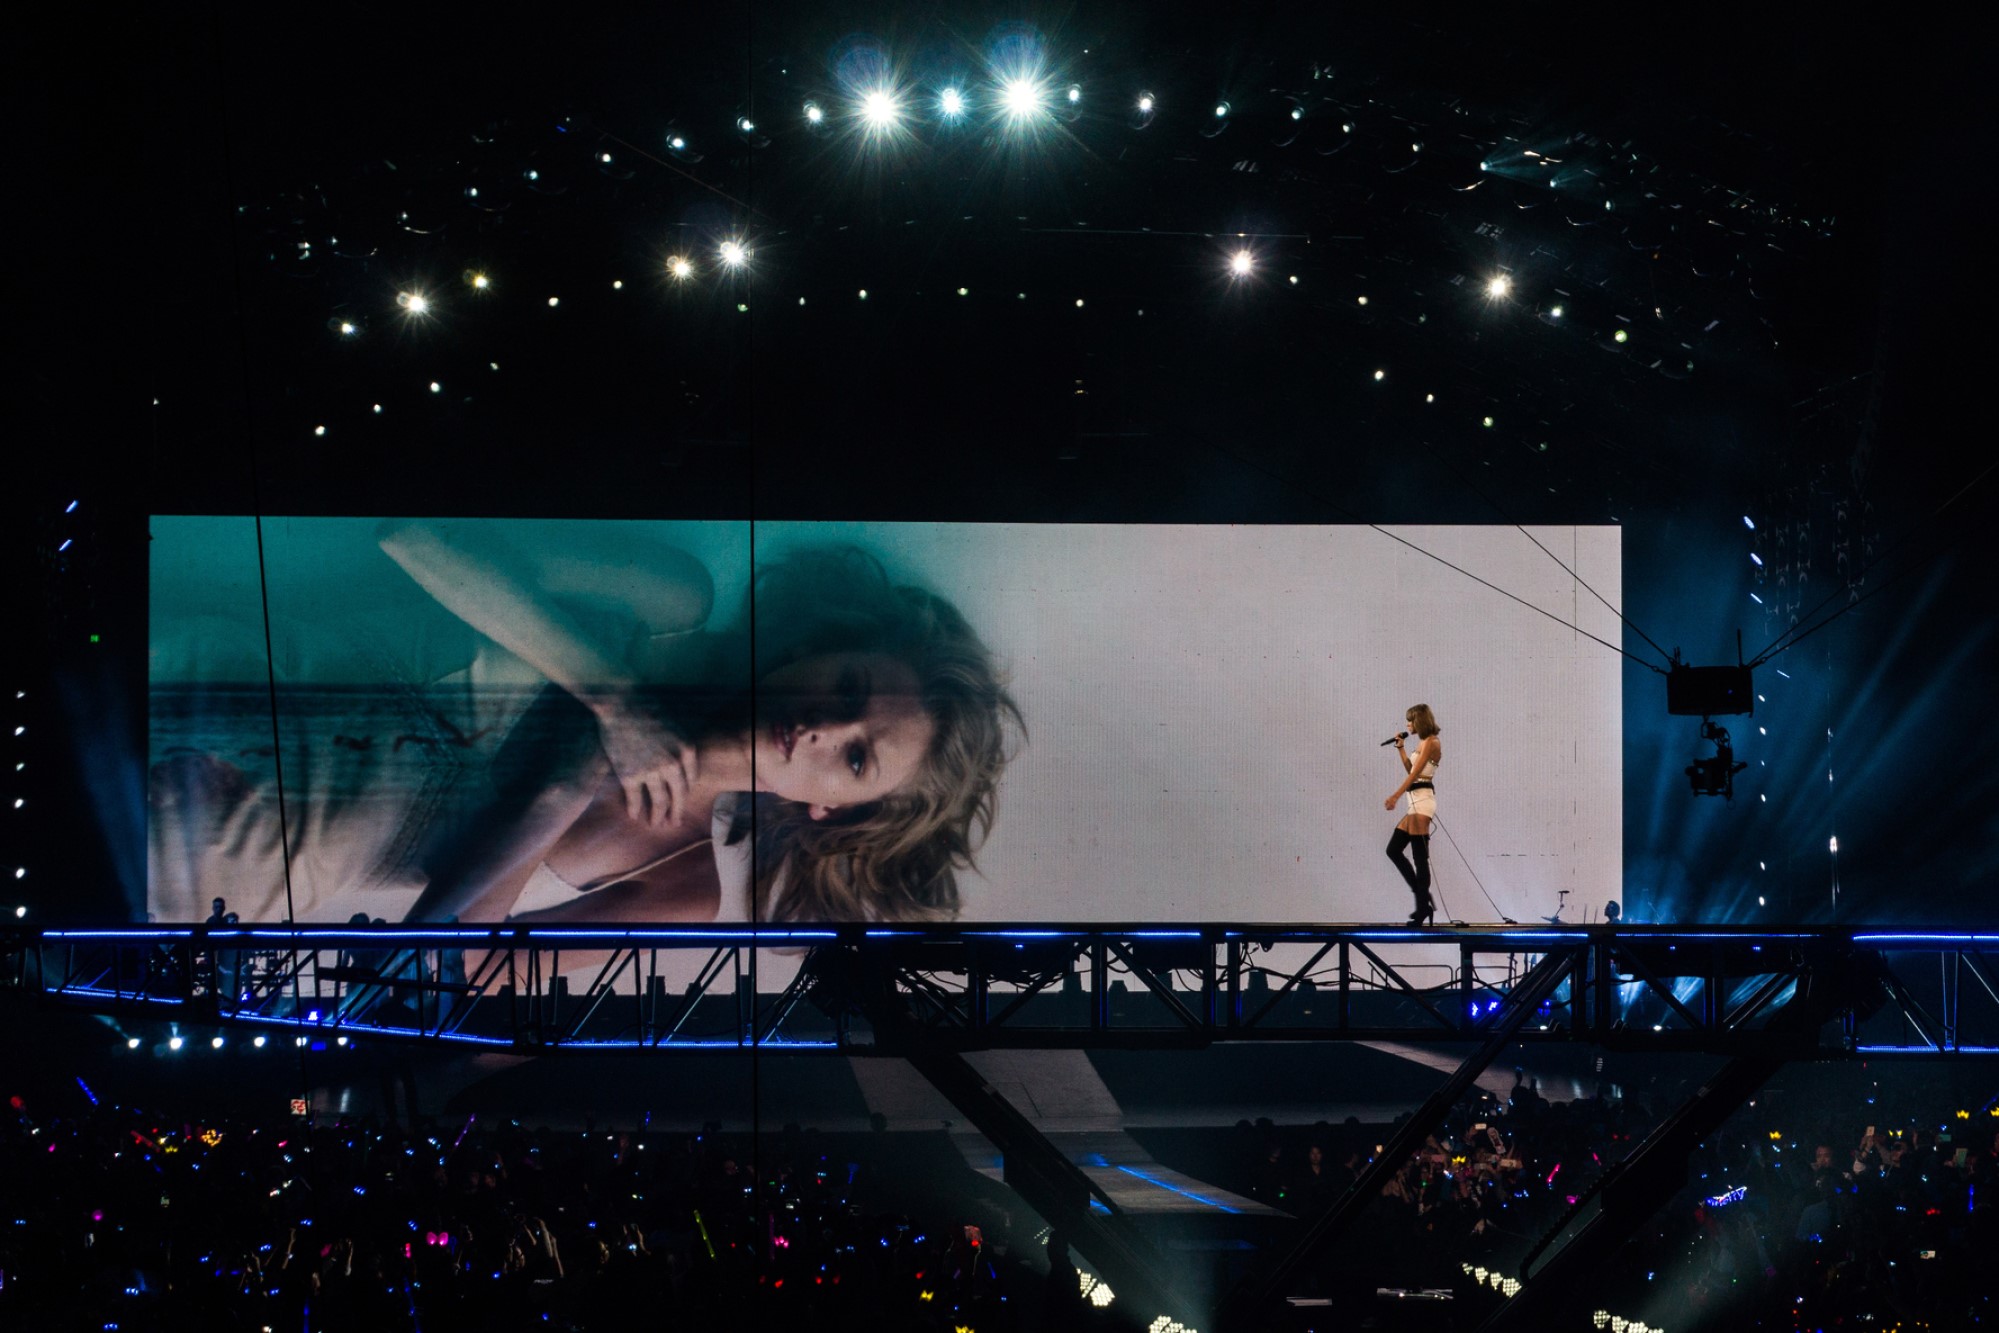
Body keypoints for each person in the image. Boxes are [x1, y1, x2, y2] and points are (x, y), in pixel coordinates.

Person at [387, 533, 1024, 926]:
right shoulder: (666, 604)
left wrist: (569, 785)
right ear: (822, 649)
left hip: (298, 867)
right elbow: (419, 537)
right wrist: (614, 702)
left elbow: (439, 975)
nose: (821, 728)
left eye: (856, 759)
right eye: (849, 687)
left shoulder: (681, 890)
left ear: (834, 808)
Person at [1383, 704, 1442, 925]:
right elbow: (1411, 769)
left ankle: (1421, 908)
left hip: (1423, 799)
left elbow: (1416, 775)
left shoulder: (1432, 742)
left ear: (1420, 721)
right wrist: (1401, 749)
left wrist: (1395, 796)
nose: (1407, 724)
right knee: (1393, 850)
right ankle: (1422, 899)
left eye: (1410, 720)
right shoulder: (1422, 742)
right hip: (1414, 800)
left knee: (1419, 856)